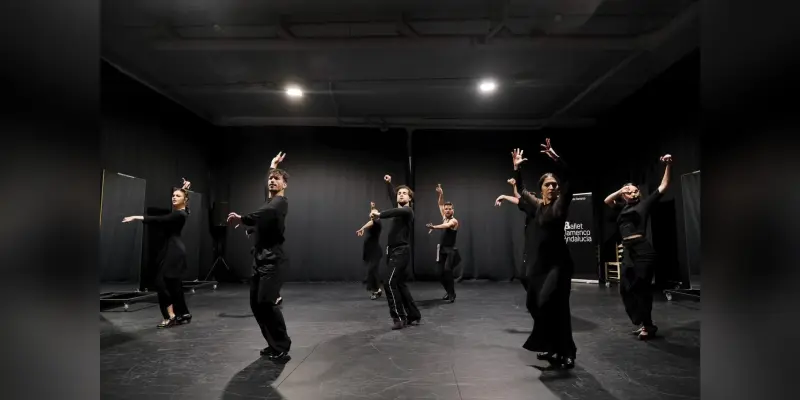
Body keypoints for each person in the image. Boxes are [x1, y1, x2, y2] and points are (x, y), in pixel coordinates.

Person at [512, 139, 577, 370]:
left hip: (559, 265)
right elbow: (520, 190)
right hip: (540, 266)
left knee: (554, 304)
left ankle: (567, 351)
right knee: (534, 304)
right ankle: (552, 346)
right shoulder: (536, 205)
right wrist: (517, 168)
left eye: (554, 184)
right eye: (547, 184)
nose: (552, 187)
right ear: (541, 188)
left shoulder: (561, 205)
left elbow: (569, 177)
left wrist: (555, 157)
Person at [227, 152, 292, 363]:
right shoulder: (269, 201)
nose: (272, 180)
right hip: (259, 259)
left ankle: (282, 345)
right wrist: (272, 165)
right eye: (270, 178)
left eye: (277, 178)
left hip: (273, 261)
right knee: (256, 304)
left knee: (266, 302)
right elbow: (266, 203)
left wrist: (243, 219)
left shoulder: (280, 203)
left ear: (284, 184)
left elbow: (266, 210)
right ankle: (273, 344)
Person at [603, 154, 673, 340]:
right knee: (625, 288)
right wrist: (620, 190)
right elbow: (607, 201)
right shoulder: (622, 208)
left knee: (641, 288)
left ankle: (648, 325)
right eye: (629, 192)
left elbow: (663, 187)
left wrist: (668, 165)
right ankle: (642, 321)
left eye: (635, 191)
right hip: (627, 250)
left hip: (643, 251)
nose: (633, 193)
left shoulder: (644, 204)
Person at [123, 178, 193, 328]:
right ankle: (183, 313)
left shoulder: (179, 215)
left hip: (174, 251)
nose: (174, 197)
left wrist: (137, 217)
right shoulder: (183, 211)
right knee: (173, 285)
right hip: (172, 249)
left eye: (177, 196)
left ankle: (171, 316)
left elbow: (159, 219)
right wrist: (183, 189)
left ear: (185, 200)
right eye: (173, 195)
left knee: (161, 284)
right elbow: (182, 203)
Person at [370, 174, 421, 330]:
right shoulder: (398, 207)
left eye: (404, 193)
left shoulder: (408, 211)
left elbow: (393, 212)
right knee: (399, 284)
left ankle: (399, 318)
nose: (401, 194)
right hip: (392, 251)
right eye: (400, 193)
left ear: (410, 199)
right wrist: (389, 183)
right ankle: (413, 314)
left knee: (389, 283)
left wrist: (379, 214)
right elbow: (393, 197)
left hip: (401, 251)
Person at [495, 178, 541, 292]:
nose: (525, 200)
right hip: (530, 247)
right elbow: (518, 197)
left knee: (536, 275)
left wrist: (504, 196)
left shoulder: (537, 207)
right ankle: (535, 295)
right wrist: (512, 188)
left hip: (540, 247)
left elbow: (518, 199)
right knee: (524, 276)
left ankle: (540, 297)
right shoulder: (530, 207)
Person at [425, 184, 460, 303]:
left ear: (453, 210)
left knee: (447, 271)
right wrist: (441, 194)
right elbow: (440, 203)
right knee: (438, 273)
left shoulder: (453, 221)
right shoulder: (444, 216)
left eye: (450, 209)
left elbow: (447, 226)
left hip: (451, 251)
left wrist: (434, 227)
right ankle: (449, 291)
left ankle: (452, 294)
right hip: (442, 250)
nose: (448, 210)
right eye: (446, 209)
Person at [357, 201, 383, 300]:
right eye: (371, 214)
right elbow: (372, 217)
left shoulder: (377, 222)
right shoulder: (373, 221)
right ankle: (377, 290)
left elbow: (372, 220)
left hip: (375, 251)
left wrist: (361, 228)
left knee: (372, 270)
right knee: (373, 271)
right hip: (370, 250)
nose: (372, 214)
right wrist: (372, 207)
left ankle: (376, 290)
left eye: (374, 213)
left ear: (378, 215)